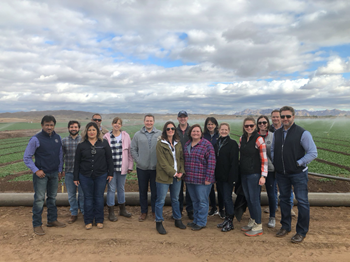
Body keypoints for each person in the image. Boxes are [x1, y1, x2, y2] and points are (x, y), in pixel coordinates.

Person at [272, 106, 317, 243]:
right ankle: (285, 226)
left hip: (298, 174)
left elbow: (312, 152)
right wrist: (277, 162)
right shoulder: (277, 133)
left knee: (302, 202)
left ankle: (301, 231)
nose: (285, 119)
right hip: (282, 174)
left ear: (293, 117)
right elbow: (273, 149)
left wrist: (299, 163)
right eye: (283, 116)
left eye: (288, 116)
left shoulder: (303, 133)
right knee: (284, 200)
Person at [23, 115, 66, 235]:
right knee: (39, 199)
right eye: (47, 125)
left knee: (52, 198)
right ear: (42, 125)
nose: (49, 127)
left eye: (51, 125)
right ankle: (37, 224)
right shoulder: (36, 139)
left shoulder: (58, 138)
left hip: (53, 173)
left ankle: (52, 220)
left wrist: (59, 170)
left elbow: (60, 156)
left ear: (54, 126)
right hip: (41, 174)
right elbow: (27, 157)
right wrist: (36, 170)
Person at [73, 122, 114, 230]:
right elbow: (77, 162)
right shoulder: (81, 145)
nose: (91, 132)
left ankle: (99, 220)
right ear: (86, 132)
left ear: (97, 131)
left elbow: (109, 159)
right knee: (88, 198)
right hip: (85, 176)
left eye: (93, 130)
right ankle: (88, 220)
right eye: (89, 130)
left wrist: (110, 173)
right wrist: (76, 177)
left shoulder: (104, 143)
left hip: (101, 175)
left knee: (99, 197)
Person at [155, 121, 187, 234]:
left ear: (175, 130)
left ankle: (177, 219)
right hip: (164, 177)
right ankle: (159, 222)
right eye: (168, 129)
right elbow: (162, 162)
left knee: (176, 199)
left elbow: (181, 158)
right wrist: (174, 172)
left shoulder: (178, 143)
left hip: (177, 176)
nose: (170, 131)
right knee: (160, 200)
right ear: (165, 131)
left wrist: (181, 171)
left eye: (172, 129)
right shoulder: (160, 143)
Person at [183, 124, 216, 231]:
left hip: (202, 180)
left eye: (197, 131)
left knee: (202, 201)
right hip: (190, 179)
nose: (195, 133)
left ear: (201, 133)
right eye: (193, 131)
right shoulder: (187, 145)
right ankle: (196, 220)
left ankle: (201, 222)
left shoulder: (207, 145)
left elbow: (211, 162)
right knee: (195, 201)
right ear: (190, 133)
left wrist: (208, 178)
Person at [239, 117, 268, 237]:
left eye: (251, 125)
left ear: (255, 126)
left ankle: (258, 225)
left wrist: (263, 176)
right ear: (244, 127)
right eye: (247, 126)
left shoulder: (259, 139)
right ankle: (252, 220)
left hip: (254, 174)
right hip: (244, 173)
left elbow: (264, 159)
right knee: (249, 199)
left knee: (255, 200)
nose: (249, 128)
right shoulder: (242, 139)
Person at [131, 114, 162, 221]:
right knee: (142, 191)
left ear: (154, 122)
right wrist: (138, 161)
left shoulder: (160, 134)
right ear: (144, 122)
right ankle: (143, 212)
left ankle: (154, 211)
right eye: (147, 121)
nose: (149, 122)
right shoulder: (137, 135)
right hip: (142, 168)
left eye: (151, 121)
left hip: (155, 168)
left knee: (155, 191)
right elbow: (133, 149)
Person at [266, 109, 296, 217]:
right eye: (273, 117)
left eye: (277, 117)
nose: (275, 119)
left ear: (281, 117)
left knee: (287, 187)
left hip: (285, 163)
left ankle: (290, 207)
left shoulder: (287, 129)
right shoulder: (268, 130)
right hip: (272, 163)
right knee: (273, 186)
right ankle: (273, 207)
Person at [103, 117, 133, 221]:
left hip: (122, 167)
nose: (117, 125)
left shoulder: (126, 136)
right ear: (112, 124)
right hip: (111, 169)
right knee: (111, 189)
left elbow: (129, 152)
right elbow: (104, 154)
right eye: (115, 123)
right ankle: (111, 212)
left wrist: (130, 166)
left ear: (121, 125)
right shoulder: (106, 137)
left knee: (121, 188)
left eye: (119, 123)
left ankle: (122, 209)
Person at [214, 123, 239, 232]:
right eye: (222, 129)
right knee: (223, 197)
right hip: (219, 176)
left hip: (228, 177)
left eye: (225, 129)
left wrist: (232, 178)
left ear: (228, 131)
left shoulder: (232, 144)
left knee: (228, 198)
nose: (223, 131)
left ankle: (230, 221)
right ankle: (226, 219)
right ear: (219, 130)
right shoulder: (216, 143)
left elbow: (234, 162)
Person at [62, 120, 84, 224]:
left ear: (79, 128)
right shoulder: (64, 141)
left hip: (82, 172)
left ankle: (84, 212)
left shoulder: (83, 140)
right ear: (68, 128)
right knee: (71, 194)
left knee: (82, 194)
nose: (73, 129)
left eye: (75, 127)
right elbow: (61, 157)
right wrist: (60, 169)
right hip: (69, 172)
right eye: (71, 127)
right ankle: (74, 213)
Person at [256, 115, 276, 228]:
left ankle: (272, 217)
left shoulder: (273, 136)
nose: (262, 125)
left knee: (271, 194)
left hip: (271, 170)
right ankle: (256, 217)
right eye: (260, 123)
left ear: (268, 123)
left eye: (264, 122)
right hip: (257, 170)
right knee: (256, 194)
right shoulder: (255, 136)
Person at [203, 117, 224, 218]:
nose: (210, 126)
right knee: (210, 187)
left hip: (219, 165)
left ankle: (221, 208)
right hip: (207, 165)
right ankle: (213, 208)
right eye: (208, 124)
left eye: (212, 124)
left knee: (220, 187)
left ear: (216, 125)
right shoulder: (203, 136)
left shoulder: (219, 135)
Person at [177, 110, 193, 220]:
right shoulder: (174, 130)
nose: (183, 118)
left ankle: (190, 210)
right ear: (178, 118)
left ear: (187, 118)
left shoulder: (192, 130)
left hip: (189, 163)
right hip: (177, 164)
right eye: (181, 117)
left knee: (190, 189)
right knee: (177, 189)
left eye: (184, 117)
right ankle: (178, 211)